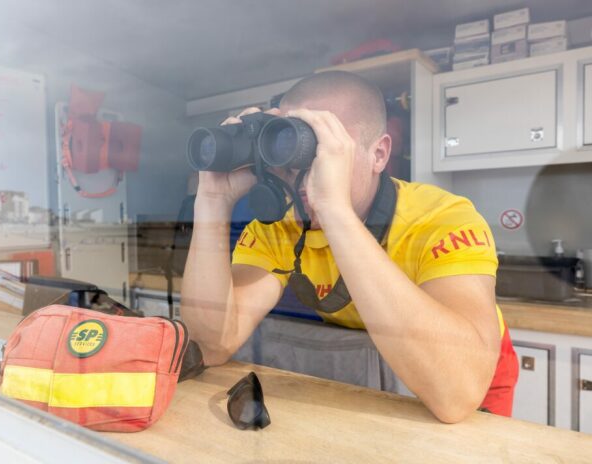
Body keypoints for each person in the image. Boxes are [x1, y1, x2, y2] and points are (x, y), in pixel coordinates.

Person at [180, 70, 518, 423]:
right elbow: (211, 345)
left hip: (466, 366)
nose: (301, 171)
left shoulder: (442, 217)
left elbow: (457, 391)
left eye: (326, 149)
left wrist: (334, 210)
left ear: (379, 154)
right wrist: (212, 202)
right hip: (375, 359)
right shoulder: (280, 227)